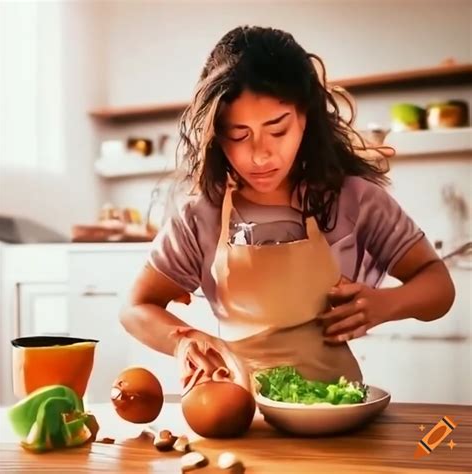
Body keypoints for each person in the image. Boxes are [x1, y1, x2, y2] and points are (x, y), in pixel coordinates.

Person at [120, 26, 455, 386]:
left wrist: (385, 305)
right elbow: (136, 308)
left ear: (305, 118)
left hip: (335, 409)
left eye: (278, 130)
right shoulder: (201, 217)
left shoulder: (355, 200)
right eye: (238, 134)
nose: (261, 154)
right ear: (216, 135)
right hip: (239, 408)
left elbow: (438, 287)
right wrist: (183, 341)